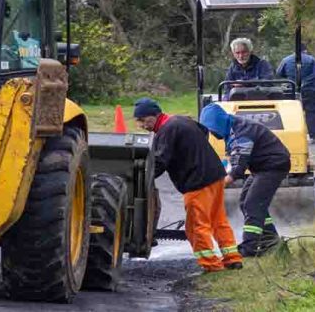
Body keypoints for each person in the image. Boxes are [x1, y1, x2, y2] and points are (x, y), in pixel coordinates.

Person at [133, 98, 242, 272]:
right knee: (217, 220)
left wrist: (140, 178)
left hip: (198, 182)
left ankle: (211, 265)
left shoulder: (166, 130)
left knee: (196, 226)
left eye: (142, 120)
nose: (141, 125)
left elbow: (160, 161)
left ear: (154, 116)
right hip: (215, 176)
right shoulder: (182, 120)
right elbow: (204, 131)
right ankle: (232, 258)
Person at [199, 103, 290, 257]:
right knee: (246, 203)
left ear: (218, 122)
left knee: (253, 204)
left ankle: (249, 248)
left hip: (273, 166)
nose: (213, 134)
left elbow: (238, 169)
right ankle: (271, 243)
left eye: (213, 129)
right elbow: (230, 160)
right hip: (260, 167)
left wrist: (215, 187)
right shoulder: (231, 128)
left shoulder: (242, 133)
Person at [276, 44, 315, 141]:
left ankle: (292, 135)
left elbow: (279, 73)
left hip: (291, 89)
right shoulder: (311, 60)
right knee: (310, 112)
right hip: (309, 89)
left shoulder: (286, 60)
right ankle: (312, 136)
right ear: (305, 51)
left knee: (291, 112)